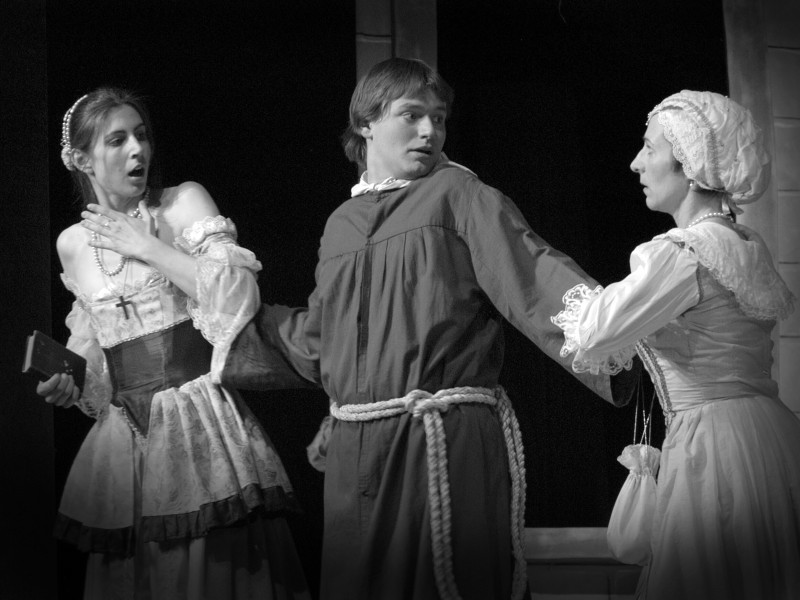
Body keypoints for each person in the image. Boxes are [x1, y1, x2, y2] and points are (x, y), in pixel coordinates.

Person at [217, 57, 639, 600]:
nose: (429, 131)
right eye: (412, 115)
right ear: (366, 123)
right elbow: (321, 341)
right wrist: (238, 318)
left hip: (441, 439)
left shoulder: (459, 195)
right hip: (358, 454)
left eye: (438, 119)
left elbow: (533, 276)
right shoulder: (340, 224)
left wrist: (625, 331)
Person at [37, 87, 311, 599]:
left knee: (214, 570)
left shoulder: (183, 203)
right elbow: (96, 358)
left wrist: (147, 246)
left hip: (195, 421)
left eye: (141, 136)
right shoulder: (71, 244)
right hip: (126, 440)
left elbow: (236, 298)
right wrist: (69, 381)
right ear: (82, 159)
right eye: (117, 140)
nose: (137, 150)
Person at [551, 90, 799, 599]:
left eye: (649, 147)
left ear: (689, 160)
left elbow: (594, 332)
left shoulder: (683, 253)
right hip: (772, 437)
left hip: (715, 447)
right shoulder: (745, 244)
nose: (636, 163)